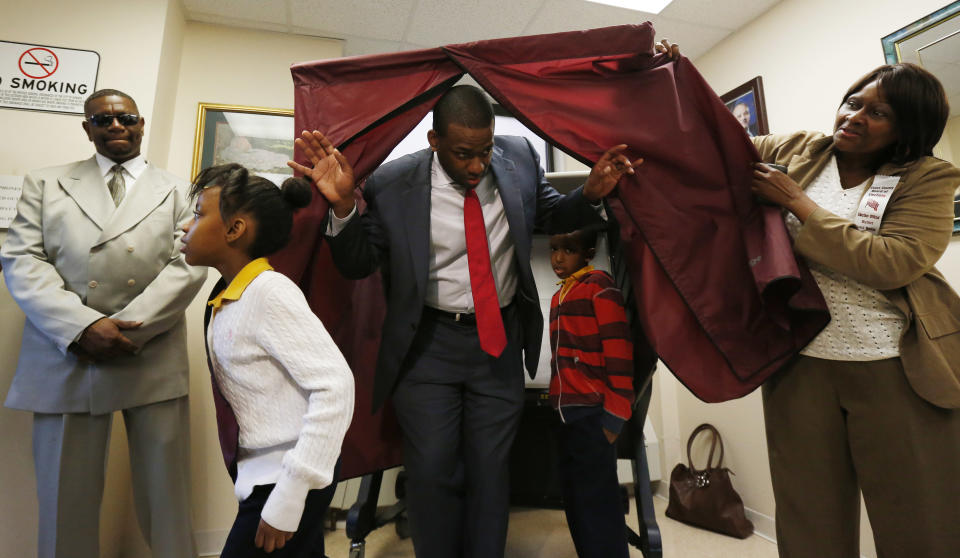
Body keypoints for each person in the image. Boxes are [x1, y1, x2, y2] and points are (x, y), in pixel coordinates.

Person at [289, 84, 642, 558]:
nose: (478, 165)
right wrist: (343, 208)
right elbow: (358, 264)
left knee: (490, 472)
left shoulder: (518, 158)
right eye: (463, 154)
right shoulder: (394, 182)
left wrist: (590, 193)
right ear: (434, 143)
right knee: (432, 470)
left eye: (485, 150)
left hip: (497, 341)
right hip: (427, 344)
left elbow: (550, 215)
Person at [749, 63, 960, 557]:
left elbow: (894, 262)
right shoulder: (796, 149)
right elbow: (709, 139)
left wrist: (798, 203)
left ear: (909, 128)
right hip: (799, 363)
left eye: (878, 112)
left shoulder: (928, 177)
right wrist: (670, 71)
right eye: (853, 102)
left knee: (919, 520)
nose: (855, 116)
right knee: (808, 520)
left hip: (895, 366)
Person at [0, 89, 207, 557]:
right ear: (86, 127)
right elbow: (21, 258)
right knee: (62, 498)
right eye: (103, 120)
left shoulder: (180, 190)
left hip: (147, 348)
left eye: (126, 117)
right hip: (66, 350)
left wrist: (124, 328)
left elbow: (189, 262)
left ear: (141, 124)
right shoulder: (46, 183)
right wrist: (81, 328)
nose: (116, 126)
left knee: (166, 495)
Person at [180, 164, 354, 557]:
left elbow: (335, 386)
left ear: (234, 230)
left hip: (287, 474)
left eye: (197, 215)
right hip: (264, 475)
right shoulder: (229, 295)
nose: (186, 228)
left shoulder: (269, 292)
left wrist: (292, 491)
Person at [547, 226, 633, 558]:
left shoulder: (599, 287)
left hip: (592, 414)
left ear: (587, 253)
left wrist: (615, 417)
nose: (557, 257)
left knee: (598, 503)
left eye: (567, 250)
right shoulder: (559, 295)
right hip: (565, 413)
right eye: (554, 248)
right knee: (576, 500)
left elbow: (619, 353)